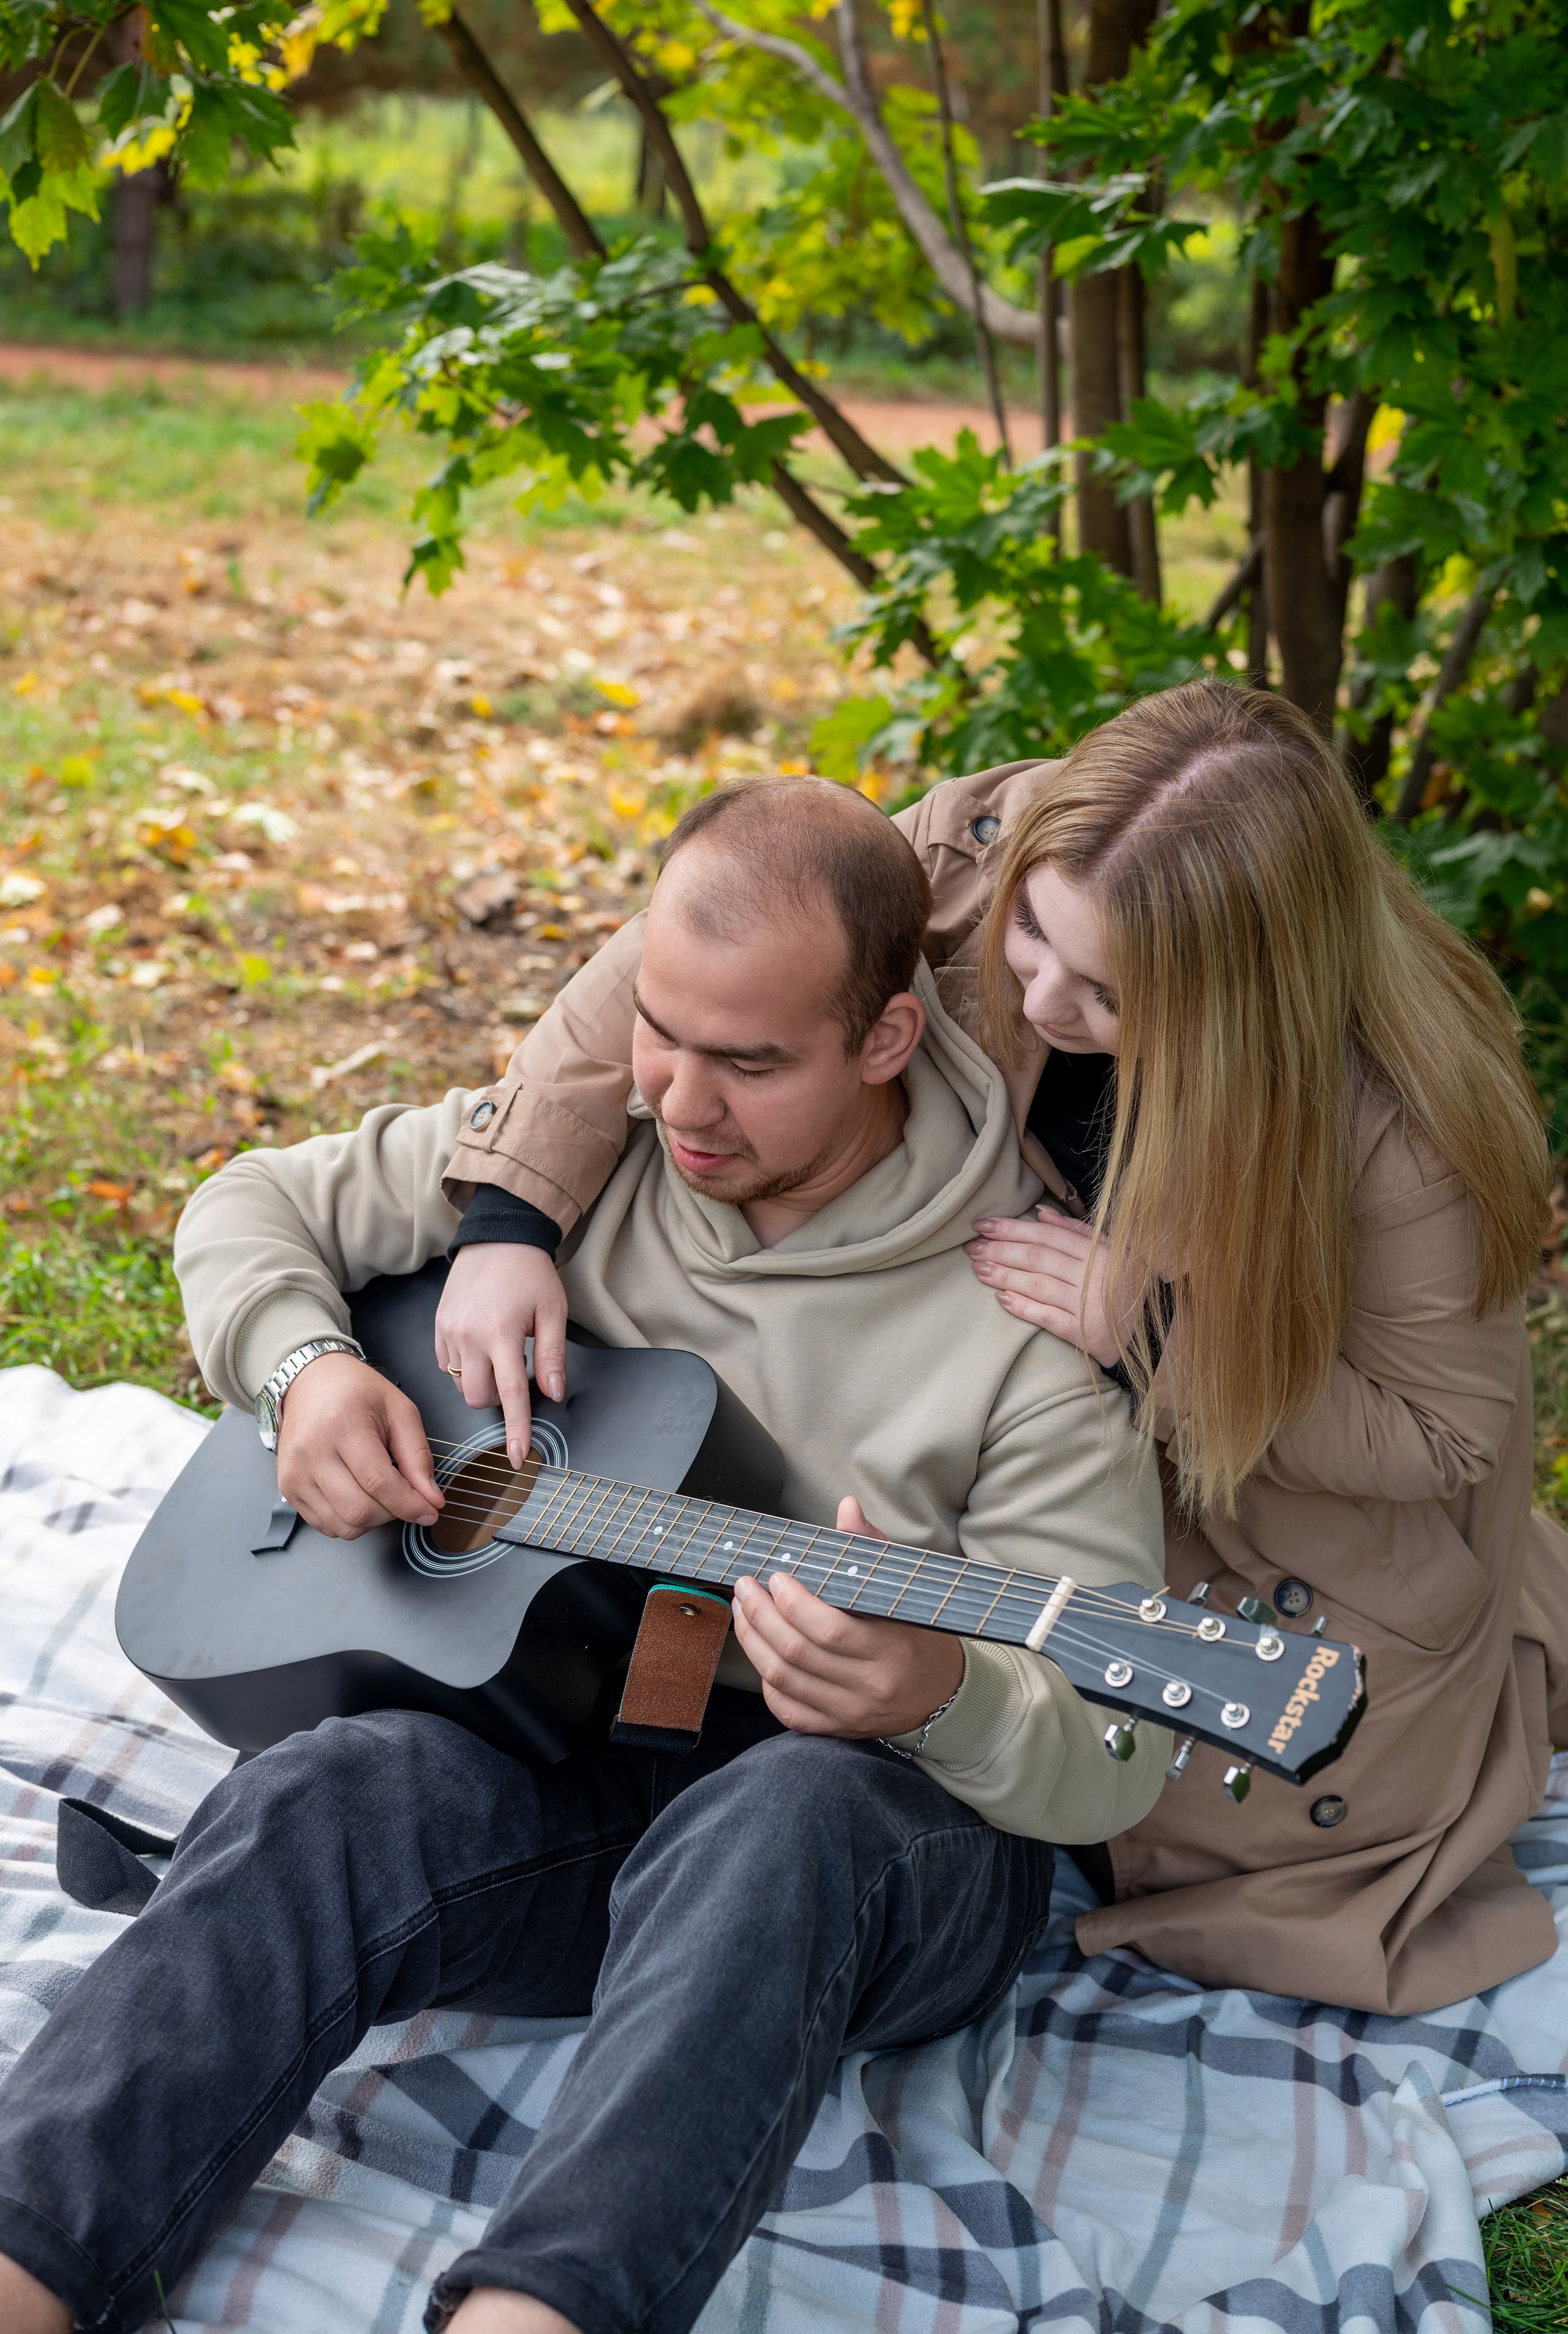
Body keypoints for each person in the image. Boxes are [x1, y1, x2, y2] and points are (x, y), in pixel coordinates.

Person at [0, 776, 1168, 2334]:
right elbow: (251, 1202)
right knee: (330, 1787)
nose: (681, 1101)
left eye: (749, 1063)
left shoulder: (1014, 1326)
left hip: (877, 1838)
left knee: (783, 1813)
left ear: (885, 1039)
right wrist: (304, 1373)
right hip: (584, 1756)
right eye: (659, 1032)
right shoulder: (581, 1158)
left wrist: (934, 1687)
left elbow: (1112, 1741)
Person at [434, 680, 1568, 2016]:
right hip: (1026, 1462)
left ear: (1243, 997)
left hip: (1257, 1522)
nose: (1032, 994)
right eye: (1030, 934)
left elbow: (1441, 1438)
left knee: (1141, 1774)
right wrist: (510, 1215)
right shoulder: (978, 847)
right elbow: (669, 955)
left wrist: (1155, 1333)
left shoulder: (1399, 1127)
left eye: (1105, 989)